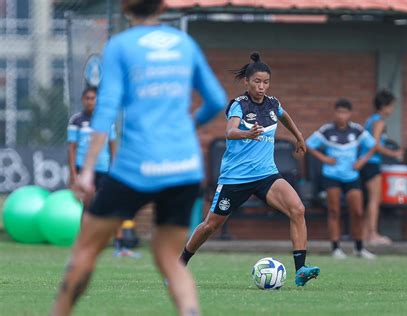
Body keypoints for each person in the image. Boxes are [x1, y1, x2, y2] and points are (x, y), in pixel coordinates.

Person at [51, 0, 227, 315]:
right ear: (162, 6)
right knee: (168, 258)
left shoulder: (121, 46)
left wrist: (87, 169)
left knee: (86, 249)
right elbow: (215, 99)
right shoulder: (184, 43)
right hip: (184, 167)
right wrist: (188, 126)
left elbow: (105, 112)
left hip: (137, 166)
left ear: (125, 7)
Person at [180, 52, 320, 287]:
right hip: (236, 178)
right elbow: (230, 131)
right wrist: (248, 133)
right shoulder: (239, 105)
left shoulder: (273, 104)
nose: (261, 86)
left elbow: (284, 116)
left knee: (297, 208)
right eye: (257, 82)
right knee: (210, 226)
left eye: (266, 82)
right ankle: (180, 263)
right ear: (247, 81)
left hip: (266, 174)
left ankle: (301, 269)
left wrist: (298, 136)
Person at [67, 87, 135, 258]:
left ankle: (120, 246)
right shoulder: (76, 121)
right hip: (85, 169)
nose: (91, 101)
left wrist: (116, 168)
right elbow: (72, 149)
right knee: (88, 207)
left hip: (104, 169)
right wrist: (74, 174)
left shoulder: (106, 121)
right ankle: (84, 244)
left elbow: (113, 146)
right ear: (83, 100)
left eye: (94, 98)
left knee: (112, 205)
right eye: (88, 98)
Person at [306, 99, 377, 260]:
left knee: (358, 211)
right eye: (338, 112)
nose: (341, 115)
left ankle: (359, 247)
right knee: (334, 211)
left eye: (344, 112)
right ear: (334, 113)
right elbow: (308, 145)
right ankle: (335, 248)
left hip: (351, 176)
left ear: (349, 114)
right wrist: (324, 158)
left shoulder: (357, 130)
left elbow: (373, 145)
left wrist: (361, 161)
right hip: (332, 175)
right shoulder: (327, 130)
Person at [360, 90, 403, 245]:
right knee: (374, 199)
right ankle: (373, 234)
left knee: (371, 200)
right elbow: (375, 144)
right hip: (371, 163)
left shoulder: (370, 120)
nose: (392, 110)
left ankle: (365, 234)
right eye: (391, 106)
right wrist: (393, 153)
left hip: (366, 163)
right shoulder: (379, 121)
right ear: (385, 106)